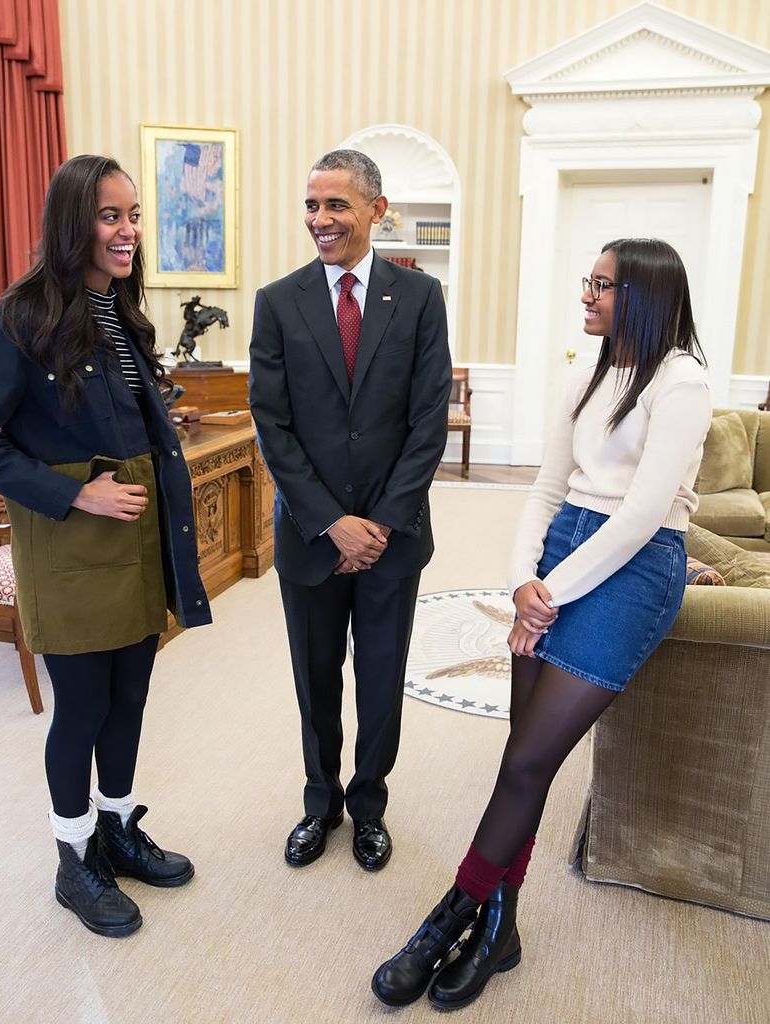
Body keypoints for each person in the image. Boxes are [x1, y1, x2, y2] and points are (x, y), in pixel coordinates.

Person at [371, 237, 713, 1008]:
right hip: (561, 559)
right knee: (520, 757)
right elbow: (545, 488)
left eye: (600, 286)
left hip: (630, 573)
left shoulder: (681, 380)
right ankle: (500, 929)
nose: (585, 296)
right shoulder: (584, 373)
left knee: (528, 763)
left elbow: (639, 516)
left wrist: (547, 593)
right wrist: (522, 578)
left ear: (644, 297)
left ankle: (444, 920)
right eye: (585, 282)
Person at [0, 154, 211, 938]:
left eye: (132, 215)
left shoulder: (124, 315)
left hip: (135, 542)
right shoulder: (21, 316)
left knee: (131, 696)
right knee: (83, 707)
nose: (126, 230)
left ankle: (118, 828)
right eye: (109, 215)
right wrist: (76, 492)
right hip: (71, 546)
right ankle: (73, 859)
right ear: (74, 224)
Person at [248, 150, 451, 872]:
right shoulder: (277, 301)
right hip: (309, 534)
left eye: (335, 204)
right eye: (310, 205)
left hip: (392, 537)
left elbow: (428, 420)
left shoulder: (419, 297)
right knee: (316, 678)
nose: (320, 219)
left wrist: (380, 524)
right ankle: (319, 803)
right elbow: (271, 424)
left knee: (380, 677)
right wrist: (330, 520)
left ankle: (368, 807)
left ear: (376, 208)